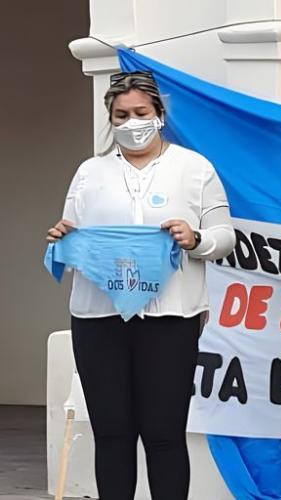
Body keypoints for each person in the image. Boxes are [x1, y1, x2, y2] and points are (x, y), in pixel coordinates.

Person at [46, 70, 236, 499]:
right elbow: (71, 230)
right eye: (121, 115)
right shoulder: (90, 172)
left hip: (171, 317)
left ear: (160, 114)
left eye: (141, 112)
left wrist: (195, 239)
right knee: (112, 432)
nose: (132, 123)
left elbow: (225, 237)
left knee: (164, 433)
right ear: (110, 119)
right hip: (98, 317)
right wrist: (63, 238)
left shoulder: (194, 168)